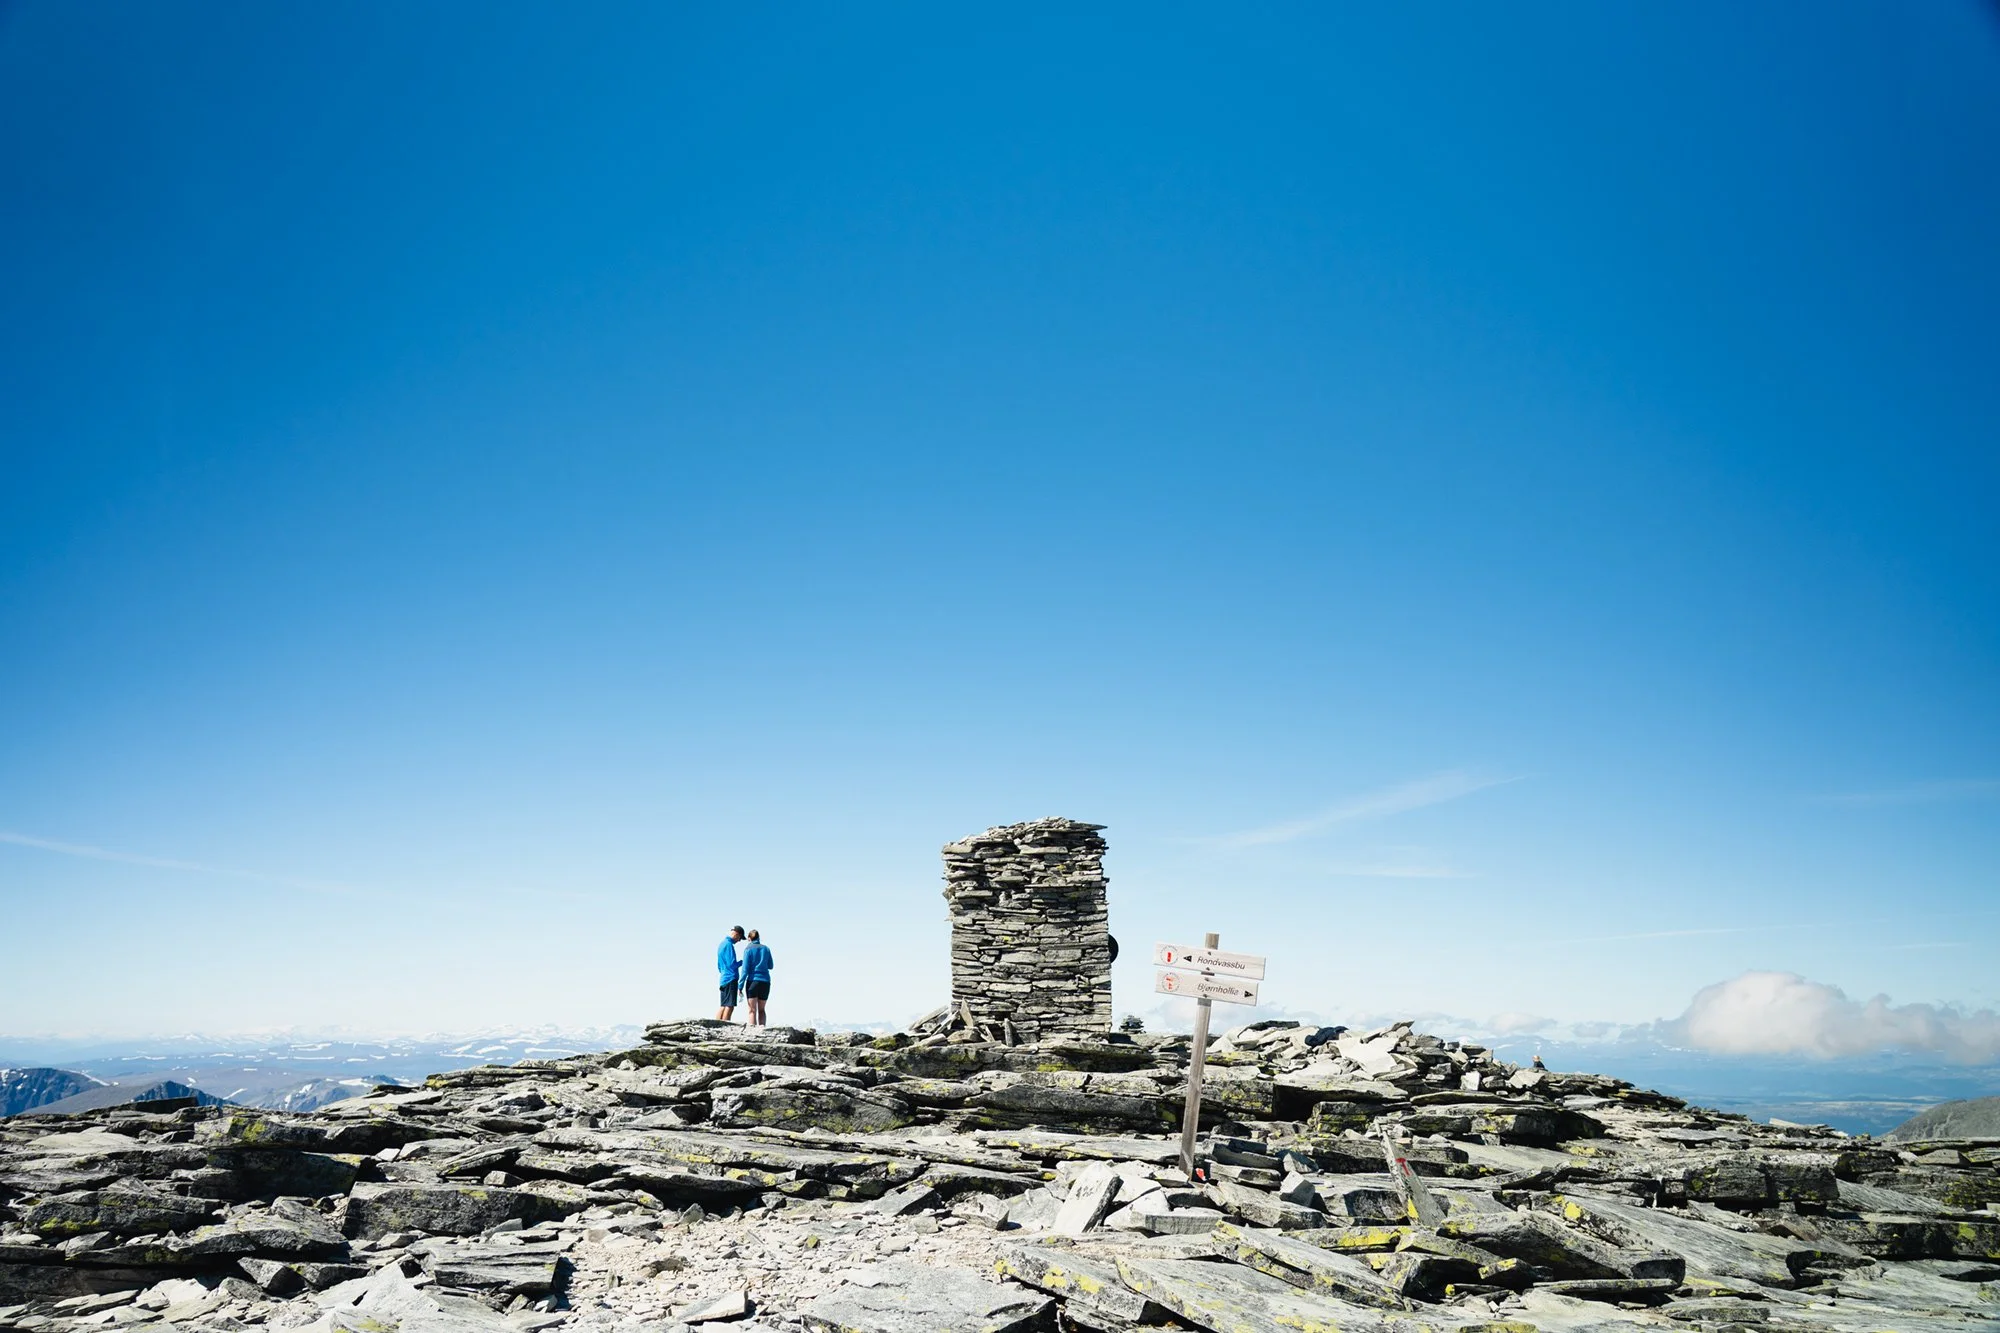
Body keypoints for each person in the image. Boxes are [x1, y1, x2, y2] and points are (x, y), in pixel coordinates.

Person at [741, 929, 774, 1027]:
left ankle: (753, 1033)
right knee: (762, 1010)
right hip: (765, 981)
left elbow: (745, 969)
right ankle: (762, 1030)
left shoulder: (748, 949)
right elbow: (771, 966)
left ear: (749, 938)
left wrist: (740, 985)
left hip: (752, 981)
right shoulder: (766, 949)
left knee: (752, 1010)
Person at [715, 926, 746, 1021]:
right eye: (740, 938)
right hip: (730, 978)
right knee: (730, 1005)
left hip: (723, 978)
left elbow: (719, 966)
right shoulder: (729, 945)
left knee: (723, 1005)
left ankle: (715, 1025)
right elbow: (732, 964)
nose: (739, 941)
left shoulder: (721, 944)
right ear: (736, 934)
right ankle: (725, 1027)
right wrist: (743, 962)